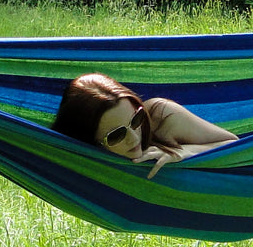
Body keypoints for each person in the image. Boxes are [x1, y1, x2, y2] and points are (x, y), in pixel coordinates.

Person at [52, 73, 238, 177]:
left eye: (136, 120)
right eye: (116, 135)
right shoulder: (79, 157)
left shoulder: (163, 117)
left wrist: (184, 152)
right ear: (91, 140)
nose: (134, 137)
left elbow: (238, 148)